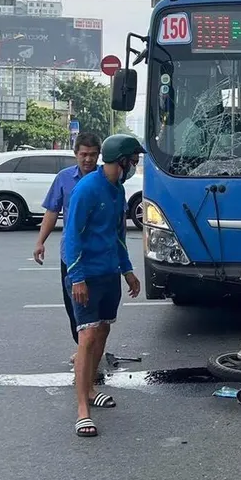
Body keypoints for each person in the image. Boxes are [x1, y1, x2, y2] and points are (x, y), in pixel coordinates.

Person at [64, 134, 143, 438]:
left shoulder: (117, 189)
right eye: (132, 161)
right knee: (86, 336)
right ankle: (82, 408)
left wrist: (128, 271)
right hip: (88, 275)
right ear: (120, 161)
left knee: (104, 330)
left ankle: (92, 386)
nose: (135, 166)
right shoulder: (87, 189)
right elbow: (72, 236)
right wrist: (78, 276)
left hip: (110, 273)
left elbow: (118, 235)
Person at [33, 132, 102, 358]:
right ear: (76, 154)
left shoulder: (107, 178)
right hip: (71, 255)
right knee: (74, 306)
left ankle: (93, 347)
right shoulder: (64, 178)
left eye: (93, 155)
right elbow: (52, 211)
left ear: (99, 155)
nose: (88, 159)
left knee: (100, 306)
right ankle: (82, 346)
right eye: (84, 154)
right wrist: (40, 242)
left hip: (100, 254)